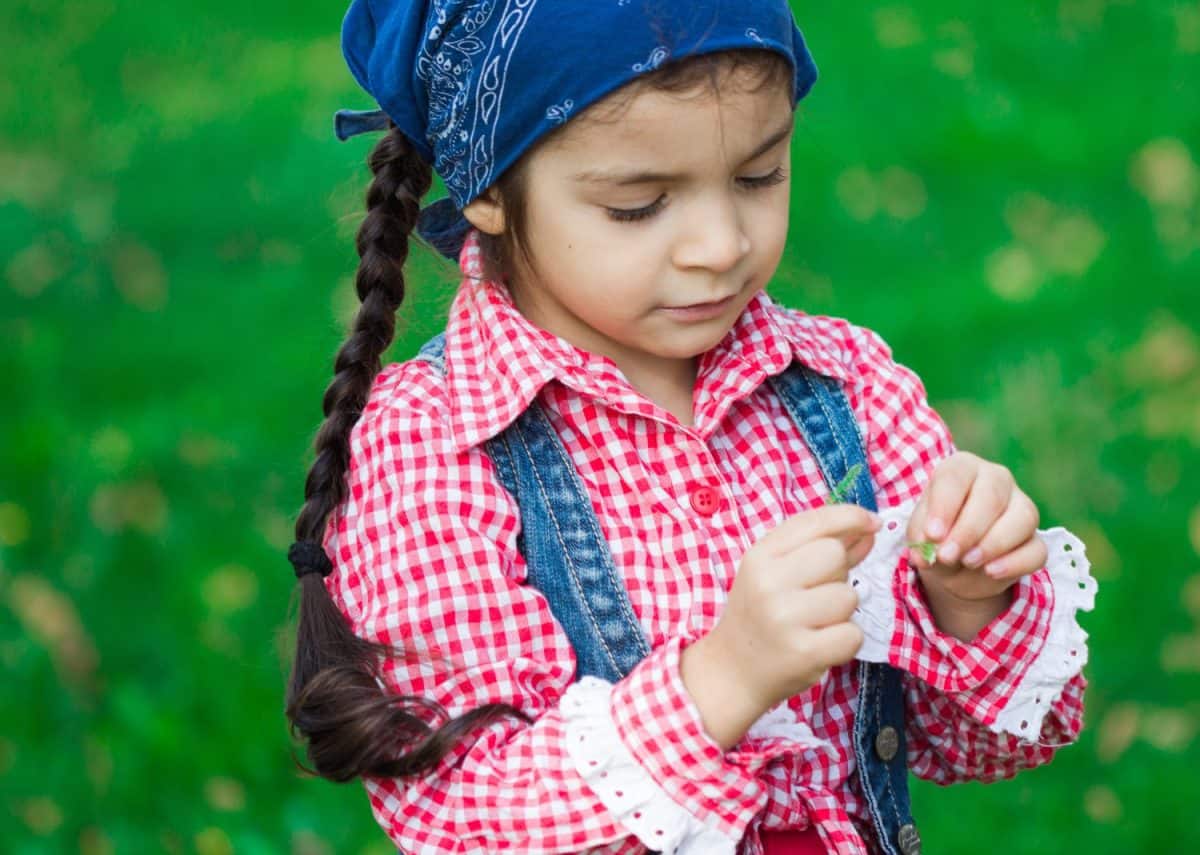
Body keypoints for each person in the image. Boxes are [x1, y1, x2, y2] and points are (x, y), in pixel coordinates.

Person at [283, 2, 1099, 854]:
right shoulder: (434, 445)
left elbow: (987, 743)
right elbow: (459, 811)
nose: (718, 244)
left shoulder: (844, 385)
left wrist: (968, 597)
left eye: (757, 176)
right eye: (639, 204)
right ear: (487, 187)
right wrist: (719, 680)